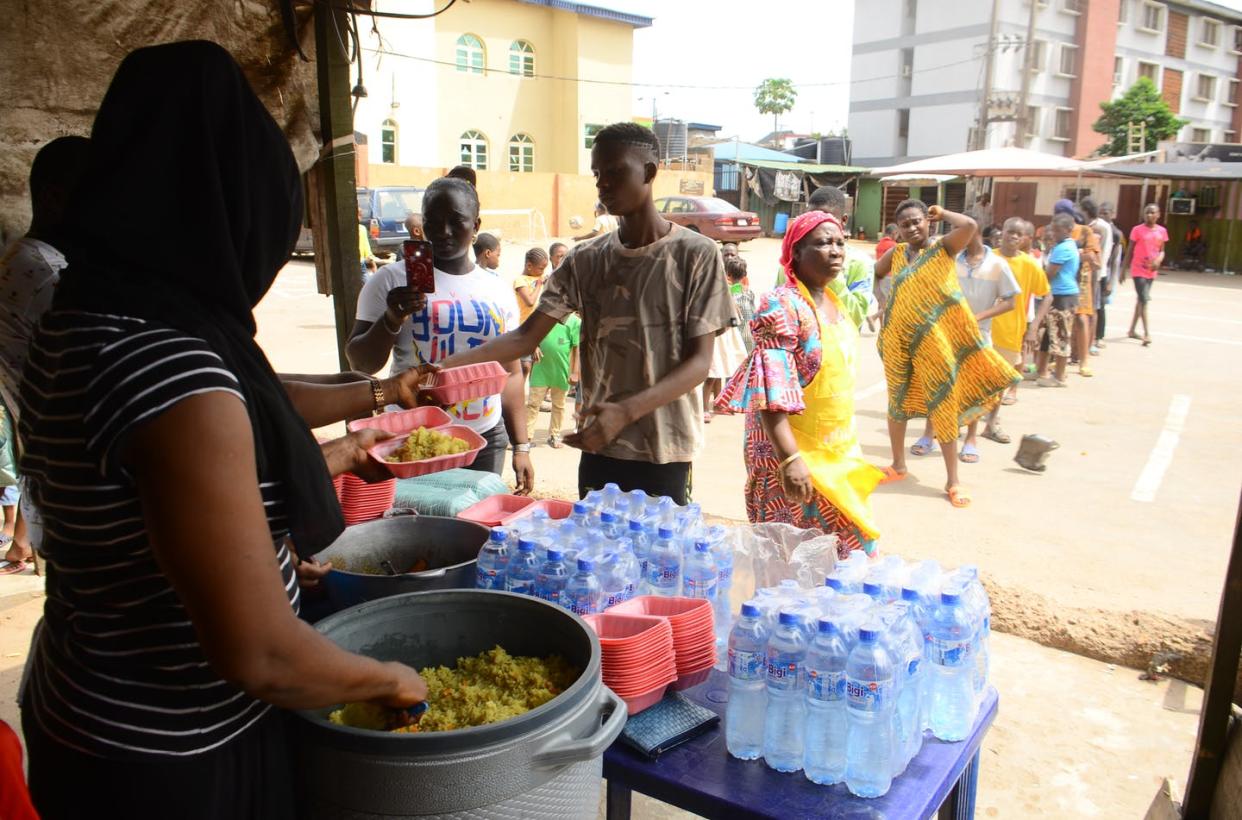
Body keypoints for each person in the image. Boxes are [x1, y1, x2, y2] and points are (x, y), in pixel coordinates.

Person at [17, 41, 429, 820]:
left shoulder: (83, 315)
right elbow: (264, 652)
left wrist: (353, 425)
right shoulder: (168, 368)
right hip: (173, 758)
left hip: (84, 710)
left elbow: (219, 438)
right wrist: (389, 678)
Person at [435, 122, 734, 503]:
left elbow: (699, 363)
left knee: (657, 559)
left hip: (665, 449)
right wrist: (444, 367)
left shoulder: (696, 254)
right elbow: (525, 338)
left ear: (649, 172)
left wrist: (625, 412)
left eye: (614, 172)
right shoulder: (586, 259)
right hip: (599, 446)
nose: (602, 185)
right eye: (597, 174)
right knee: (596, 555)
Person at [716, 211, 882, 558]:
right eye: (822, 243)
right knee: (793, 556)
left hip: (835, 451)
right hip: (792, 449)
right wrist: (790, 459)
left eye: (840, 242)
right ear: (796, 253)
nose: (835, 251)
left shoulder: (834, 302)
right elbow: (771, 390)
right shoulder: (783, 305)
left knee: (843, 550)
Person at [347, 177, 533, 487]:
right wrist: (393, 317)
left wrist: (522, 446)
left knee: (475, 529)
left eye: (456, 221)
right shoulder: (392, 281)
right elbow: (361, 363)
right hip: (412, 436)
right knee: (416, 528)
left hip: (484, 438)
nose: (444, 231)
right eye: (433, 221)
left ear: (476, 225)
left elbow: (511, 373)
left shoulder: (498, 290)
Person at [874, 200, 1018, 508]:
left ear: (927, 223)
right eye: (905, 224)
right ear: (898, 230)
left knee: (943, 405)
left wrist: (943, 214)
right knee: (896, 402)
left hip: (935, 342)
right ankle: (898, 465)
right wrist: (882, 301)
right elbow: (876, 273)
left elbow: (969, 227)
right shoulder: (897, 254)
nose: (912, 228)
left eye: (917, 221)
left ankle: (953, 481)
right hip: (898, 341)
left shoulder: (943, 249)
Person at [0, 135, 90, 574]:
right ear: (58, 198)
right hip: (70, 481)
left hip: (50, 473)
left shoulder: (26, 259)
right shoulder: (43, 273)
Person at [908, 224, 1019, 462]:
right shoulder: (952, 259)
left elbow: (1010, 301)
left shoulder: (997, 264)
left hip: (978, 335)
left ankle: (970, 439)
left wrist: (977, 317)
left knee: (974, 386)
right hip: (944, 332)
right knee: (937, 383)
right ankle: (929, 434)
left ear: (975, 233)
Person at [779, 185, 875, 331]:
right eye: (812, 218)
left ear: (843, 221)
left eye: (826, 218)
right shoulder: (793, 260)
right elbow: (778, 312)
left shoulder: (859, 263)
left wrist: (832, 277)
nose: (817, 224)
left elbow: (856, 318)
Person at [992, 218, 1051, 406]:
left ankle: (991, 419)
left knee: (1001, 377)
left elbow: (1047, 296)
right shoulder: (988, 257)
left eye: (1019, 234)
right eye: (1011, 231)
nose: (1014, 236)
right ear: (1003, 231)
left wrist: (1033, 327)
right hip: (983, 328)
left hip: (1011, 331)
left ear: (1024, 238)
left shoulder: (1029, 264)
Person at [1036, 213, 1081, 387]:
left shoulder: (1063, 248)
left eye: (1057, 230)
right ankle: (1042, 370)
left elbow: (1050, 273)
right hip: (1060, 293)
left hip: (1063, 295)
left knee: (1061, 335)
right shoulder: (1067, 246)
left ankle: (1059, 376)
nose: (1053, 233)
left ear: (1068, 230)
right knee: (1048, 334)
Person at [526, 311, 580, 448]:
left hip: (562, 370)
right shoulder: (544, 316)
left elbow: (577, 348)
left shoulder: (574, 322)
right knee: (533, 404)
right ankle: (526, 437)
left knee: (559, 405)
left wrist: (575, 372)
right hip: (540, 368)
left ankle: (554, 436)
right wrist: (534, 346)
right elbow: (532, 335)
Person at [1125, 203, 1167, 347]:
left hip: (1151, 269)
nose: (1149, 215)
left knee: (1140, 300)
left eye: (1152, 212)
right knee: (1144, 299)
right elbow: (1129, 250)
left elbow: (1162, 250)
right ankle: (1147, 333)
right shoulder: (1137, 230)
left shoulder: (1162, 231)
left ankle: (1131, 330)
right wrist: (1123, 269)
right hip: (1138, 269)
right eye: (1147, 212)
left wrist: (1159, 260)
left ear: (1158, 215)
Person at [1082, 198, 1111, 357]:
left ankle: (1091, 342)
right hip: (1090, 271)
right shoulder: (1090, 226)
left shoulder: (1100, 227)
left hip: (1096, 272)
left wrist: (1101, 273)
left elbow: (1103, 252)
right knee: (1089, 308)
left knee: (1093, 307)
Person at [1096, 202, 1123, 346]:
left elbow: (1115, 260)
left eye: (1105, 213)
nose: (1102, 216)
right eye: (1100, 213)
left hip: (1105, 272)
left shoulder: (1116, 233)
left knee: (1101, 306)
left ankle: (1099, 336)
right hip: (1095, 272)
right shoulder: (1097, 229)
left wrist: (1111, 281)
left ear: (1113, 214)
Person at [727, 256, 756, 353]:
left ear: (728, 275)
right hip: (751, 340)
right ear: (745, 275)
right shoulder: (749, 293)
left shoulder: (727, 296)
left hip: (735, 343)